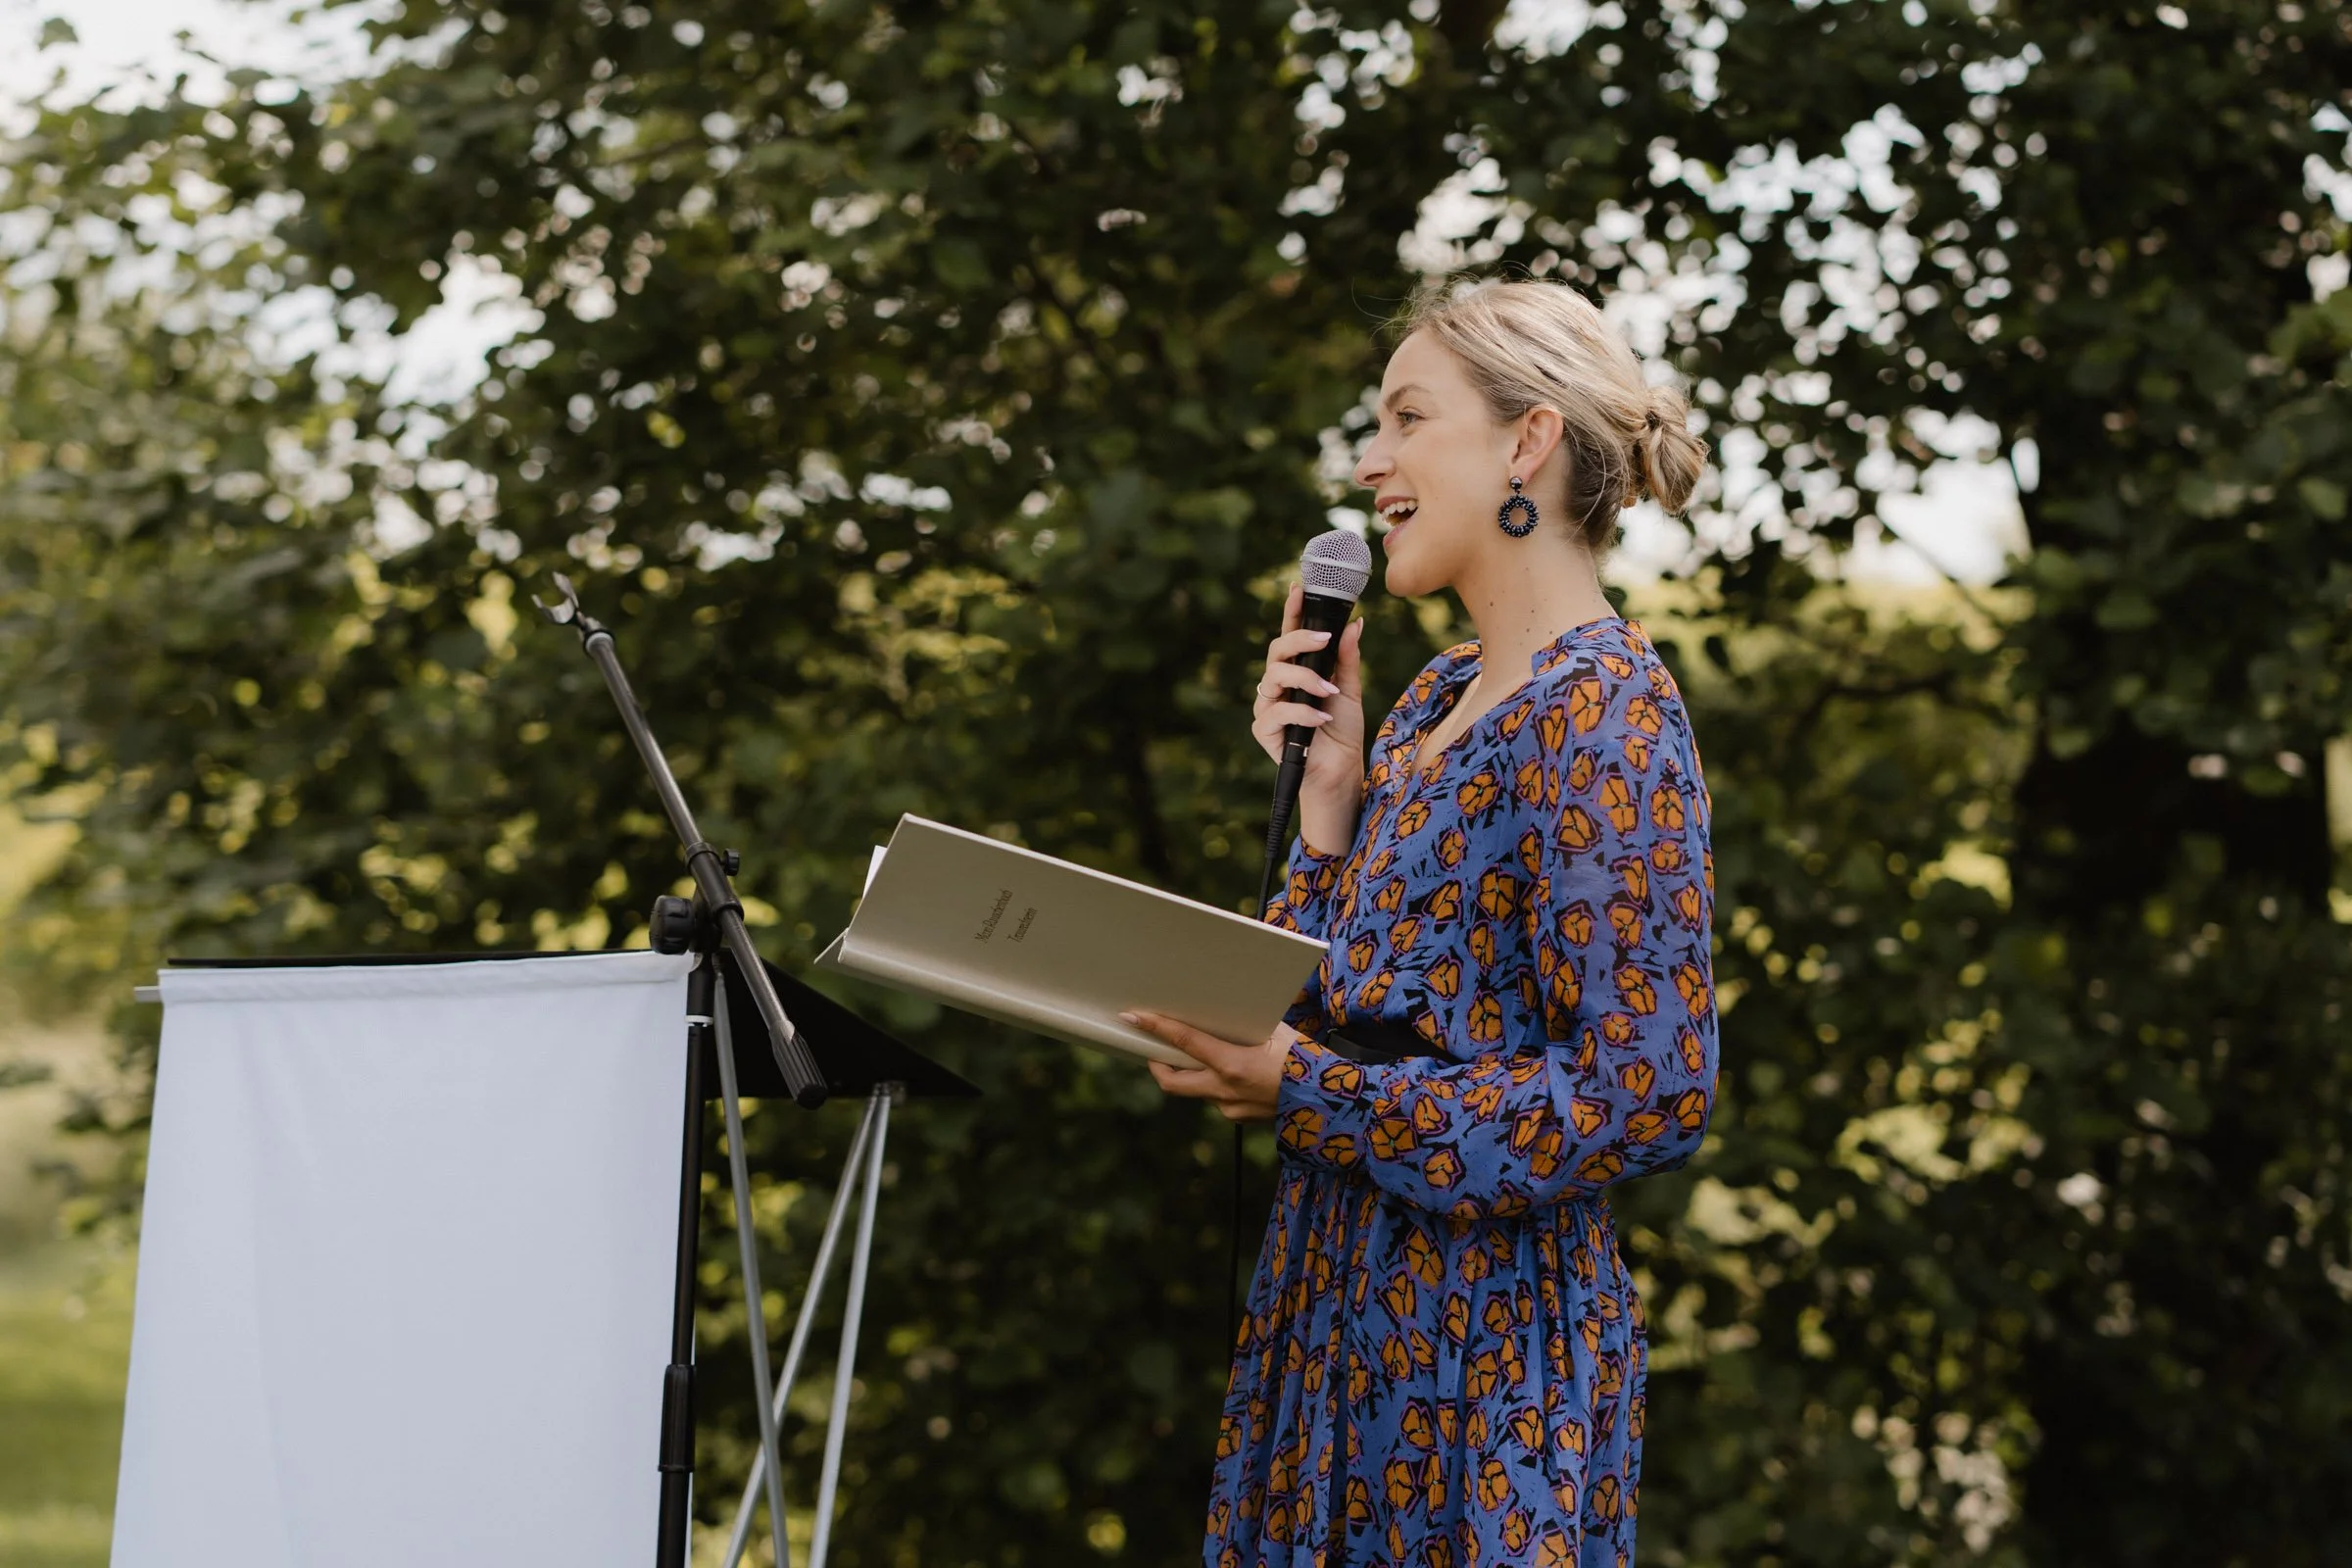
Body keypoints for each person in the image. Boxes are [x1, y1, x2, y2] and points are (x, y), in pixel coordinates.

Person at [1122, 276, 1718, 1567]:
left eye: (1405, 419)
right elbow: (1318, 1022)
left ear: (1528, 440)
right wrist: (1328, 805)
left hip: (1482, 1353)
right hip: (1332, 1299)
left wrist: (1316, 1096)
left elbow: (1645, 1094)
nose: (1369, 460)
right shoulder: (1428, 702)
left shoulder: (1605, 716)